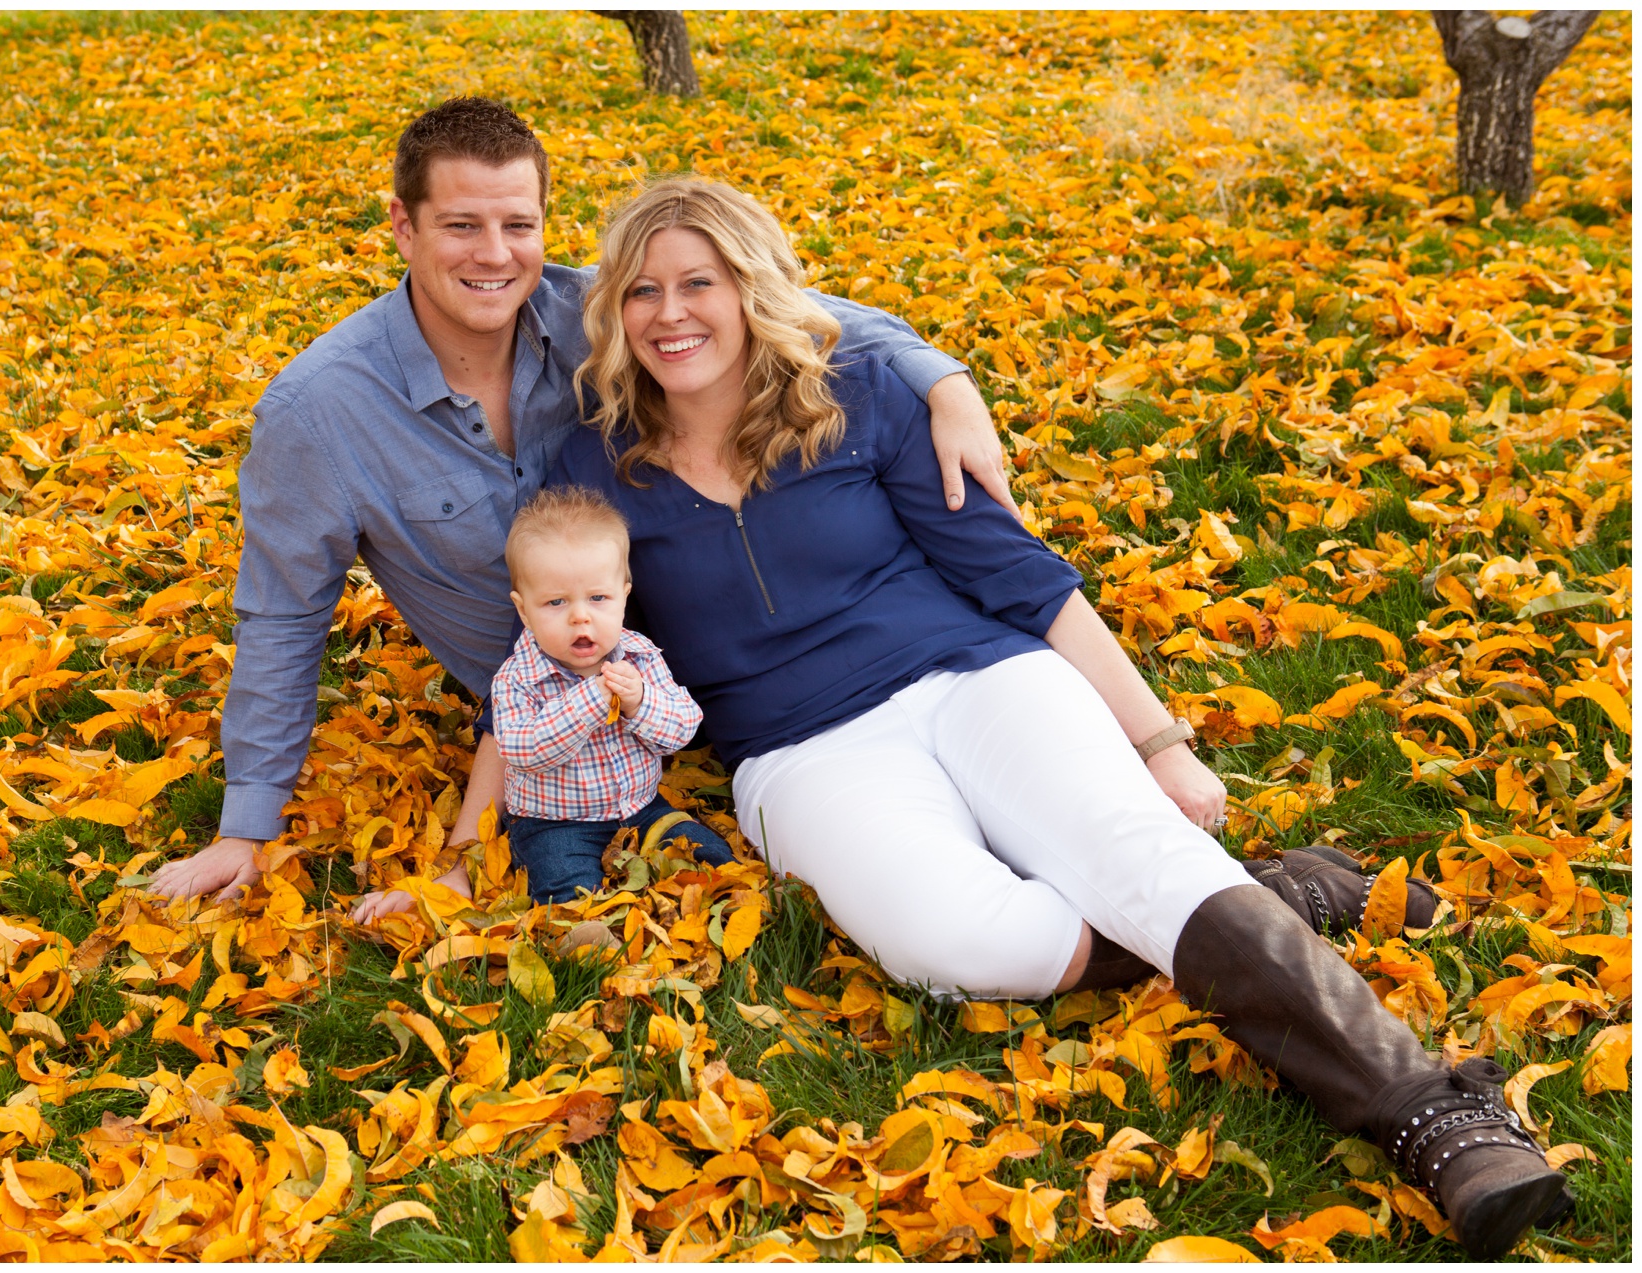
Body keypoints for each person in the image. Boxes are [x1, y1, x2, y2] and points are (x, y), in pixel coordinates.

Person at [545, 176, 1568, 1261]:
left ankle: (1437, 1115)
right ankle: (1272, 899)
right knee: (963, 947)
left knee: (1132, 850)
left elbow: (1016, 574)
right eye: (642, 291)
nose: (670, 315)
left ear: (751, 287)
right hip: (800, 747)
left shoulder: (857, 392)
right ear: (614, 310)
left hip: (974, 672)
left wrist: (1159, 739)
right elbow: (565, 624)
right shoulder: (594, 460)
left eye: (697, 283)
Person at [143, 98, 1017, 916]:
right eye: (461, 226)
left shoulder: (596, 309)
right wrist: (246, 824)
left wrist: (941, 375)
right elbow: (281, 614)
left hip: (750, 660)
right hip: (540, 708)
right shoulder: (321, 414)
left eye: (518, 226)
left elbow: (775, 308)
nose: (495, 255)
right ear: (403, 227)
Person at [493, 486, 733, 901]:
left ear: (624, 596)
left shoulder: (639, 656)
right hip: (555, 822)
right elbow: (523, 751)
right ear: (523, 610)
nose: (580, 615)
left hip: (643, 809)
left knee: (707, 853)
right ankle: (588, 939)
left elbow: (680, 730)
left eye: (598, 598)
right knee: (563, 881)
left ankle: (721, 900)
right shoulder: (518, 678)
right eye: (555, 602)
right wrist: (588, 701)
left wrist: (640, 702)